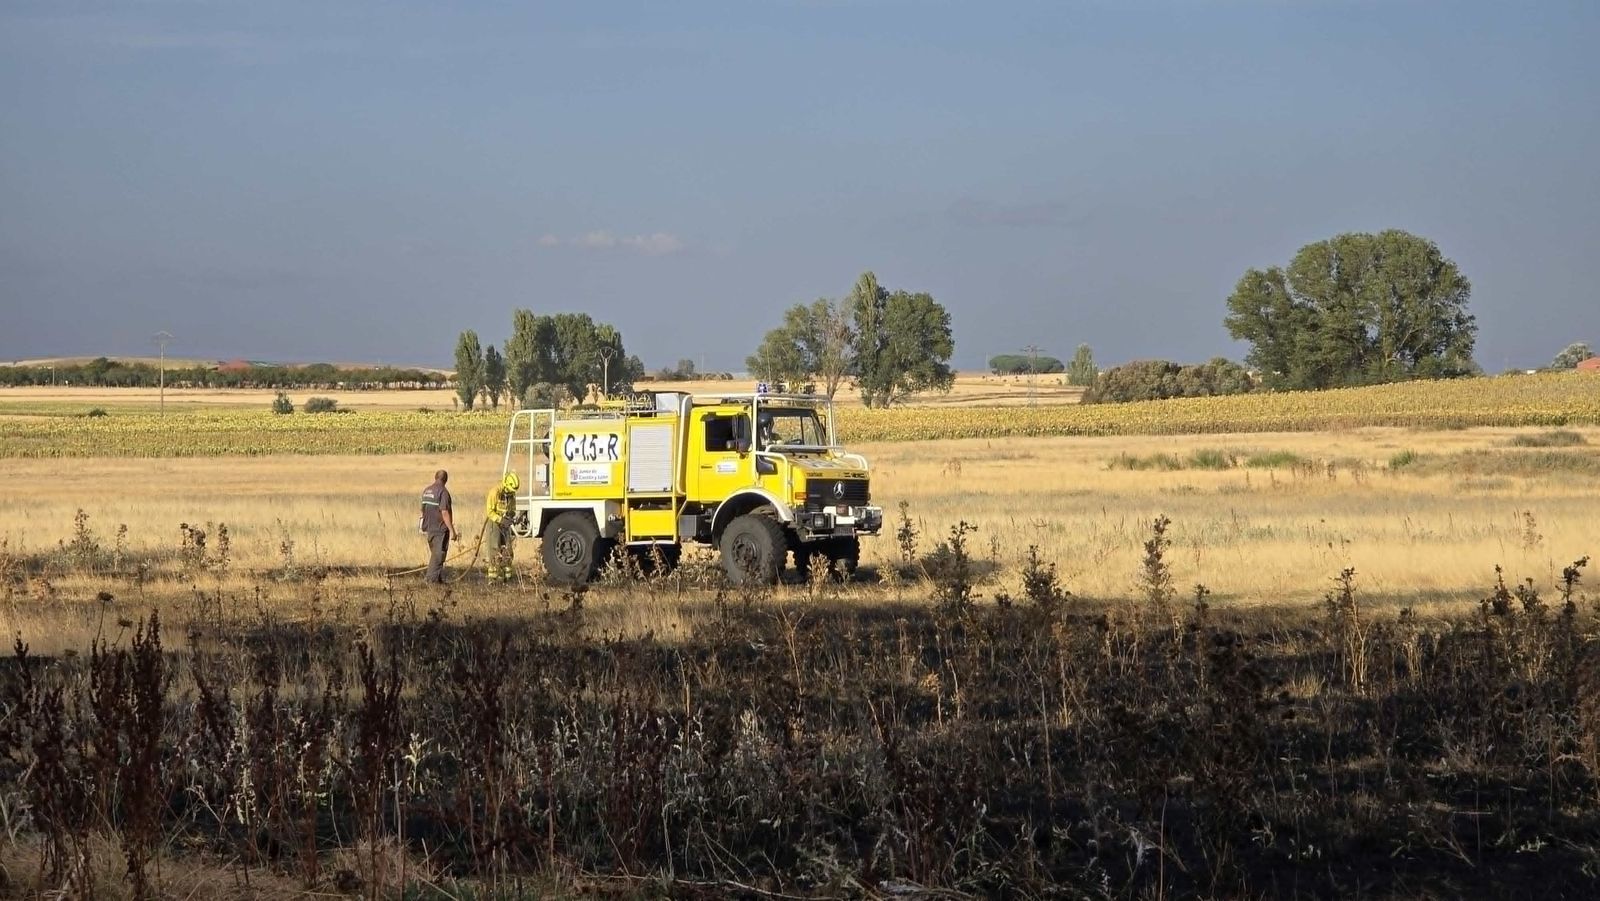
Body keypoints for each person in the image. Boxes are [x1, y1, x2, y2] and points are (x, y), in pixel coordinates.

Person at [420, 469, 457, 584]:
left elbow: (422, 510)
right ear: (446, 480)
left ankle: (438, 579)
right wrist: (452, 531)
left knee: (436, 554)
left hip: (429, 528)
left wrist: (422, 525)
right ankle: (430, 580)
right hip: (440, 529)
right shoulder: (443, 492)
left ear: (435, 477)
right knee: (438, 555)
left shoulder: (427, 491)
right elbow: (444, 512)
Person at [484, 472, 519, 583]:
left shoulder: (511, 494)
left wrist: (511, 517)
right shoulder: (495, 492)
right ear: (505, 484)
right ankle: (493, 578)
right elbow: (489, 511)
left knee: (507, 549)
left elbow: (512, 508)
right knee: (494, 549)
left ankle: (507, 577)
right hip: (494, 523)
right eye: (510, 490)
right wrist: (500, 519)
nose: (511, 493)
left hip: (505, 524)